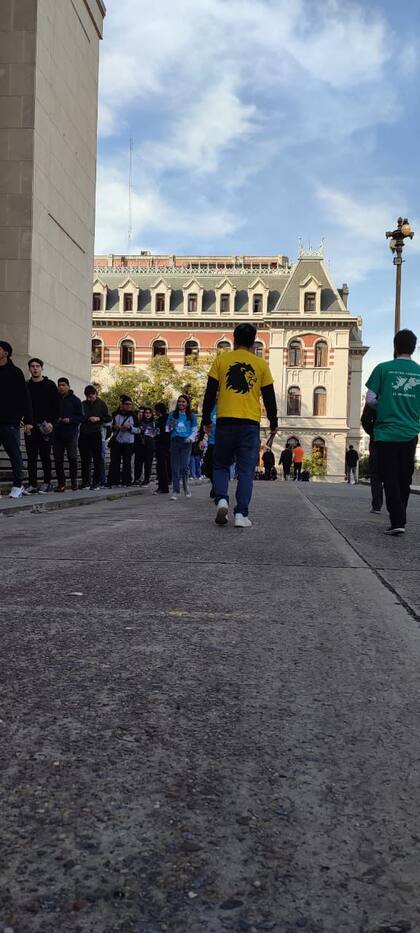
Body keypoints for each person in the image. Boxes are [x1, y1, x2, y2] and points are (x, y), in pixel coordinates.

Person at [202, 322, 278, 527]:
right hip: (249, 423)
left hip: (225, 422)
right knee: (245, 470)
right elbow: (269, 397)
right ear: (253, 342)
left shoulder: (221, 360)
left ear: (234, 339)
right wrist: (274, 422)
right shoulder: (261, 364)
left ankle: (222, 500)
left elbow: (209, 393)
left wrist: (206, 419)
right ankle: (241, 515)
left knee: (220, 465)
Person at [365, 328, 420, 535]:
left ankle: (398, 520)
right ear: (413, 348)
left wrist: (386, 405)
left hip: (386, 432)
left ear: (395, 346)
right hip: (410, 432)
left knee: (389, 476)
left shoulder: (383, 368)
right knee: (405, 476)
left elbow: (370, 399)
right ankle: (400, 516)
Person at [0, 340, 33, 499]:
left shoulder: (15, 372)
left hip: (10, 421)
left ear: (6, 353)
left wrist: (28, 420)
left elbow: (24, 397)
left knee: (14, 453)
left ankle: (18, 484)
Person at [24, 357, 60, 494]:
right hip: (30, 427)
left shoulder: (50, 385)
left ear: (41, 368)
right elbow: (21, 405)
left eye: (37, 366)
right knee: (31, 457)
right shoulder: (26, 385)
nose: (35, 368)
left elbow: (56, 407)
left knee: (45, 456)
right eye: (32, 366)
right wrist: (24, 421)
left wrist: (52, 422)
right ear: (29, 369)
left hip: (45, 427)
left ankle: (46, 483)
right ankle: (32, 484)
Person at [53, 378, 83, 492]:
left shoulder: (75, 400)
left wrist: (70, 420)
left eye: (63, 385)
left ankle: (74, 482)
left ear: (68, 386)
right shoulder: (55, 399)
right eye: (59, 385)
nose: (61, 387)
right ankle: (61, 484)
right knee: (58, 459)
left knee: (72, 458)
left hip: (71, 434)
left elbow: (80, 417)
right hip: (57, 434)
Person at [166, 394, 198, 500]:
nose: (181, 403)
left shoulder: (191, 416)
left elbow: (194, 430)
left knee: (184, 467)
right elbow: (167, 429)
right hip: (175, 441)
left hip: (186, 443)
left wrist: (190, 438)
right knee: (174, 467)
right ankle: (175, 491)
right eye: (179, 401)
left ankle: (186, 487)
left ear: (187, 403)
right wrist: (171, 426)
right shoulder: (172, 415)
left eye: (183, 401)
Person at [79, 385, 110, 490]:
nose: (90, 398)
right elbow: (79, 416)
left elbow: (108, 418)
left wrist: (98, 418)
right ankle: (85, 482)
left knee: (97, 459)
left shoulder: (101, 404)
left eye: (92, 396)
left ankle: (96, 482)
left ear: (96, 394)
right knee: (85, 459)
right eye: (88, 397)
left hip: (96, 433)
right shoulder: (83, 404)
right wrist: (87, 418)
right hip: (84, 433)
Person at [107, 395, 140, 487]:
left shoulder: (134, 416)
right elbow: (109, 426)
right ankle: (113, 481)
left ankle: (126, 482)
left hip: (129, 443)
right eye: (126, 404)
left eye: (130, 404)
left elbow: (138, 430)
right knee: (114, 462)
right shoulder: (114, 414)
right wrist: (115, 427)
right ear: (122, 405)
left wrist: (130, 428)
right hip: (117, 441)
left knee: (127, 463)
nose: (129, 406)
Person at [361, 403, 383, 513]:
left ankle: (377, 505)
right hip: (404, 436)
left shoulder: (375, 393)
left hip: (379, 437)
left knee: (376, 473)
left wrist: (373, 432)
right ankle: (399, 509)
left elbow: (365, 419)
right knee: (398, 473)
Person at [154, 402, 171, 494]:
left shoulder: (160, 421)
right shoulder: (168, 419)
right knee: (164, 466)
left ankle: (163, 486)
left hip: (161, 445)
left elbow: (158, 433)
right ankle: (164, 485)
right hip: (167, 445)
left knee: (161, 466)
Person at [133, 405, 145, 483]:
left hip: (143, 444)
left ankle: (141, 478)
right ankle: (135, 478)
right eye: (139, 412)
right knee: (135, 462)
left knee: (141, 463)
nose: (141, 414)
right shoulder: (134, 421)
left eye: (142, 413)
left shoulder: (146, 422)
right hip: (134, 444)